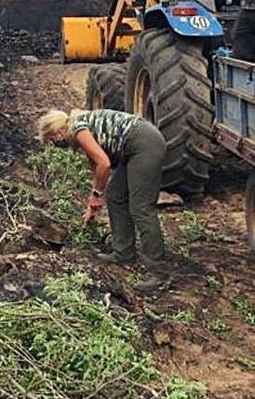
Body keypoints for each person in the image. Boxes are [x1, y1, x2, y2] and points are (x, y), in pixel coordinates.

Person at [37, 108, 172, 293]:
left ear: (58, 132)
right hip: (132, 148)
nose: (55, 144)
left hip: (144, 145)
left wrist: (96, 195)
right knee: (116, 196)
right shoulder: (80, 129)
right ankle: (123, 253)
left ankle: (159, 273)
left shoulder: (78, 130)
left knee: (141, 209)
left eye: (52, 140)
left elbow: (104, 163)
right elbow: (96, 165)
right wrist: (93, 204)